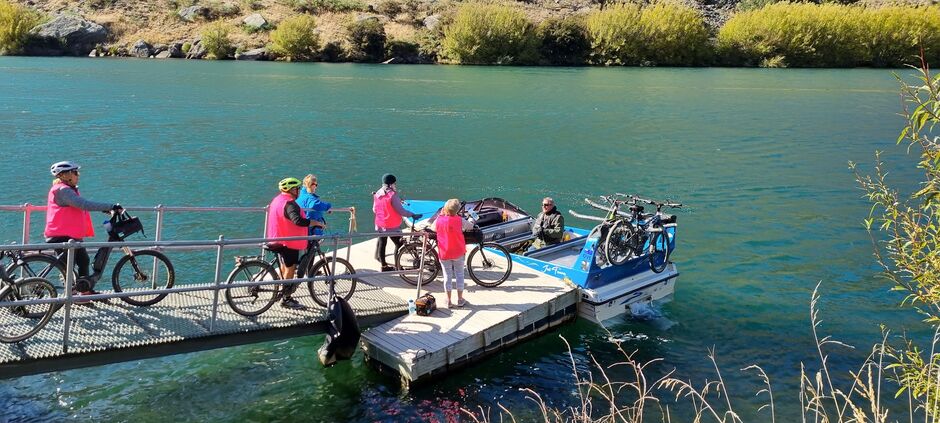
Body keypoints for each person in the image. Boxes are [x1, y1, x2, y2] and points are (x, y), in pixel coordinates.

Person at [44, 161, 122, 299]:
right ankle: (71, 294)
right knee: (68, 266)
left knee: (83, 261)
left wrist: (105, 209)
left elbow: (79, 205)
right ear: (65, 175)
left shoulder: (67, 189)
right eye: (75, 172)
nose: (78, 175)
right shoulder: (63, 190)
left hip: (69, 234)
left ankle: (84, 292)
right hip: (61, 235)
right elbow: (83, 204)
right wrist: (110, 206)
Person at [267, 177, 325, 310]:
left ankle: (282, 291)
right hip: (288, 240)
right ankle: (286, 299)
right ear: (291, 190)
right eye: (297, 188)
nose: (299, 190)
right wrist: (314, 223)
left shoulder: (278, 200)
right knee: (290, 268)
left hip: (278, 238)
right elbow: (297, 220)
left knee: (284, 265)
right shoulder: (290, 203)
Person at [373, 173, 420, 271]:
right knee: (399, 245)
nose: (395, 185)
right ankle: (398, 267)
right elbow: (401, 211)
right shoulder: (392, 195)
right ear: (390, 184)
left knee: (382, 244)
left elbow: (374, 209)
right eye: (394, 183)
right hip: (391, 225)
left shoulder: (377, 193)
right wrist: (412, 214)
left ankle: (384, 266)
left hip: (380, 224)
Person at [435, 199, 474, 308]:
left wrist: (441, 215)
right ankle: (460, 299)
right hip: (458, 251)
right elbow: (470, 226)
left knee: (447, 276)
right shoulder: (460, 220)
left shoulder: (439, 219)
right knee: (459, 275)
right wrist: (471, 219)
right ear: (457, 210)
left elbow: (433, 228)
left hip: (444, 252)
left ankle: (448, 300)